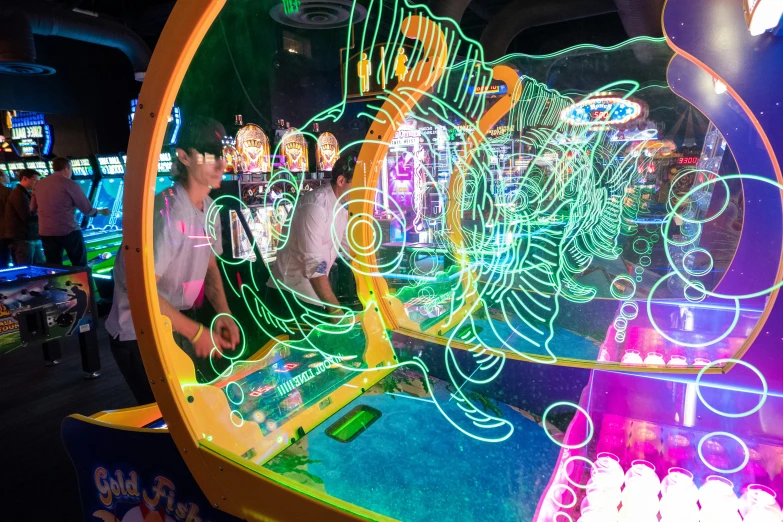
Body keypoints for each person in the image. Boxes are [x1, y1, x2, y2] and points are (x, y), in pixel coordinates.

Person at [105, 116, 240, 405]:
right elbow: (142, 290)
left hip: (173, 320)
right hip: (139, 332)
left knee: (190, 410)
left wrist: (224, 311)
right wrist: (194, 332)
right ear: (184, 156)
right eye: (209, 155)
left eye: (223, 155)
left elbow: (209, 264)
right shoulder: (167, 212)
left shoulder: (209, 207)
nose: (220, 164)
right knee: (167, 420)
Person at [266, 156, 354, 322]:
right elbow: (315, 265)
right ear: (341, 180)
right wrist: (335, 311)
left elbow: (349, 250)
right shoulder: (315, 207)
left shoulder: (341, 206)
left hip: (312, 294)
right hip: (290, 297)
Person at [30, 157, 110, 266]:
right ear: (67, 168)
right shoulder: (70, 184)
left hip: (46, 232)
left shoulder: (39, 184)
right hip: (68, 230)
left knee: (54, 266)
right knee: (79, 265)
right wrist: (101, 211)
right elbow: (87, 210)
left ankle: (56, 283)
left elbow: (32, 208)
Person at [5, 169, 44, 264]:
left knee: (39, 267)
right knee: (26, 269)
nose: (37, 184)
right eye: (35, 181)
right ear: (25, 179)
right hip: (24, 239)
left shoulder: (24, 193)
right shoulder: (18, 195)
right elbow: (27, 216)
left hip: (29, 237)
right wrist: (44, 216)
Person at [0, 171, 12, 267]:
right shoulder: (7, 191)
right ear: (1, 178)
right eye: (6, 175)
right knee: (5, 259)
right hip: (5, 231)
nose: (8, 177)